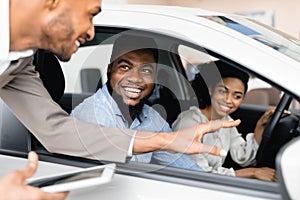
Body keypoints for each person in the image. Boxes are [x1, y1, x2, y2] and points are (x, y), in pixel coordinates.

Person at [1, 0, 240, 198]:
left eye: (146, 70)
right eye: (91, 14)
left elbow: (56, 130)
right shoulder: (93, 111)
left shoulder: (19, 64)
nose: (91, 32)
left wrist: (167, 140)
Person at [71, 34, 204, 171]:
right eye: (124, 67)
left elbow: (184, 166)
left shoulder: (152, 118)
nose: (135, 78)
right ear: (109, 70)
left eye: (146, 70)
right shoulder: (94, 113)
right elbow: (113, 177)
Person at [172, 61, 277, 182]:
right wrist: (252, 172)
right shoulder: (189, 122)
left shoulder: (226, 121)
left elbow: (242, 157)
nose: (228, 100)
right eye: (222, 91)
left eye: (237, 96)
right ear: (211, 89)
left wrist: (259, 126)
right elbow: (199, 174)